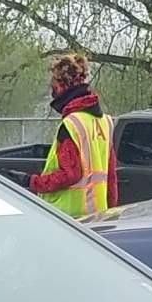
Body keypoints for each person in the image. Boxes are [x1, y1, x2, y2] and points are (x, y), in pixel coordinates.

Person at [28, 53, 116, 221]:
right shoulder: (105, 122)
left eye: (53, 85)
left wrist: (32, 181)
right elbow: (111, 177)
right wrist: (111, 214)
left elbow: (70, 174)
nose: (52, 91)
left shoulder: (71, 125)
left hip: (68, 218)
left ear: (61, 86)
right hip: (98, 217)